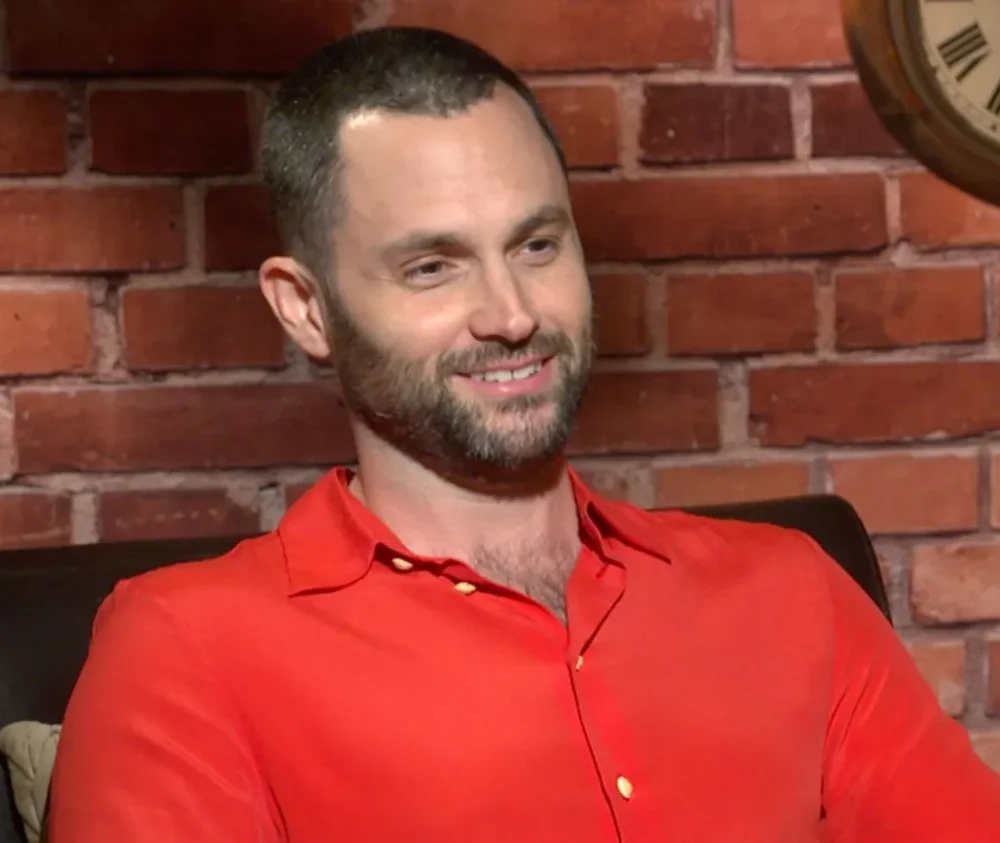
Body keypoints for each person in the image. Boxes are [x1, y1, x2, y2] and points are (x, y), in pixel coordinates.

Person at [49, 25, 1000, 842]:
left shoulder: (790, 590)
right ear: (305, 307)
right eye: (432, 266)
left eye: (536, 245)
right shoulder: (186, 648)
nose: (511, 313)